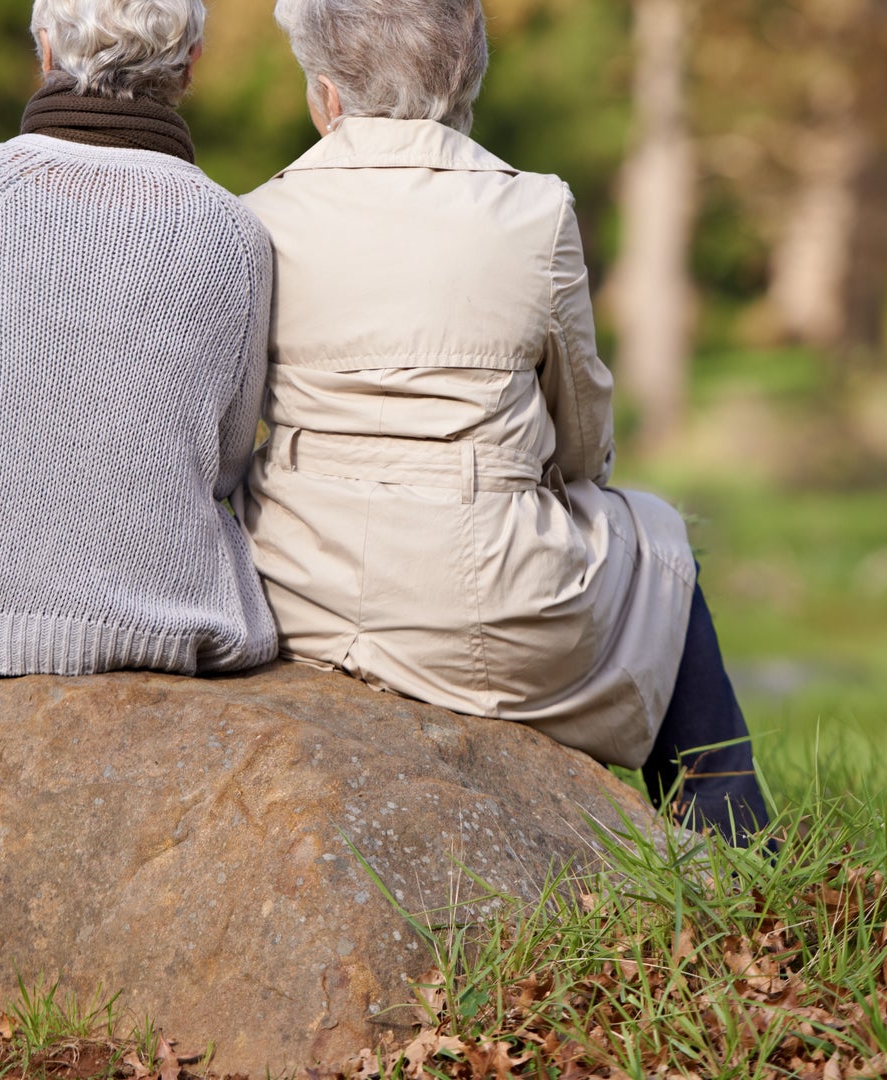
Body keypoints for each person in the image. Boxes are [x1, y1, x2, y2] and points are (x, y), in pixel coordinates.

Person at [239, 0, 770, 843]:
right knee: (660, 540)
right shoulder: (535, 210)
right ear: (465, 81)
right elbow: (583, 431)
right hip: (490, 604)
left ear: (327, 96)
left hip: (300, 590)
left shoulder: (257, 215)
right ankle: (735, 845)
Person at [0, 0, 277, 786]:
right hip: (162, 617)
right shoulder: (235, 232)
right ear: (190, 67)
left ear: (45, 49)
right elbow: (224, 458)